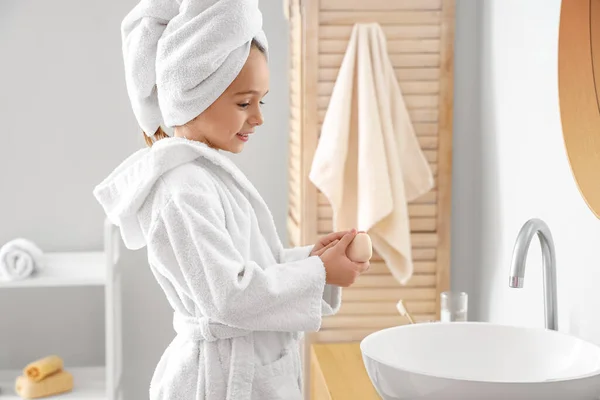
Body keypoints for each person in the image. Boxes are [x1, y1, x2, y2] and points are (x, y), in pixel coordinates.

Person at [93, 1, 369, 399]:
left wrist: (312, 259)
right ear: (194, 95)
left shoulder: (205, 176)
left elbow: (246, 268)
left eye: (262, 101)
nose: (258, 117)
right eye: (244, 103)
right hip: (219, 382)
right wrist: (319, 273)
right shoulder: (182, 189)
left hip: (249, 369)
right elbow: (229, 297)